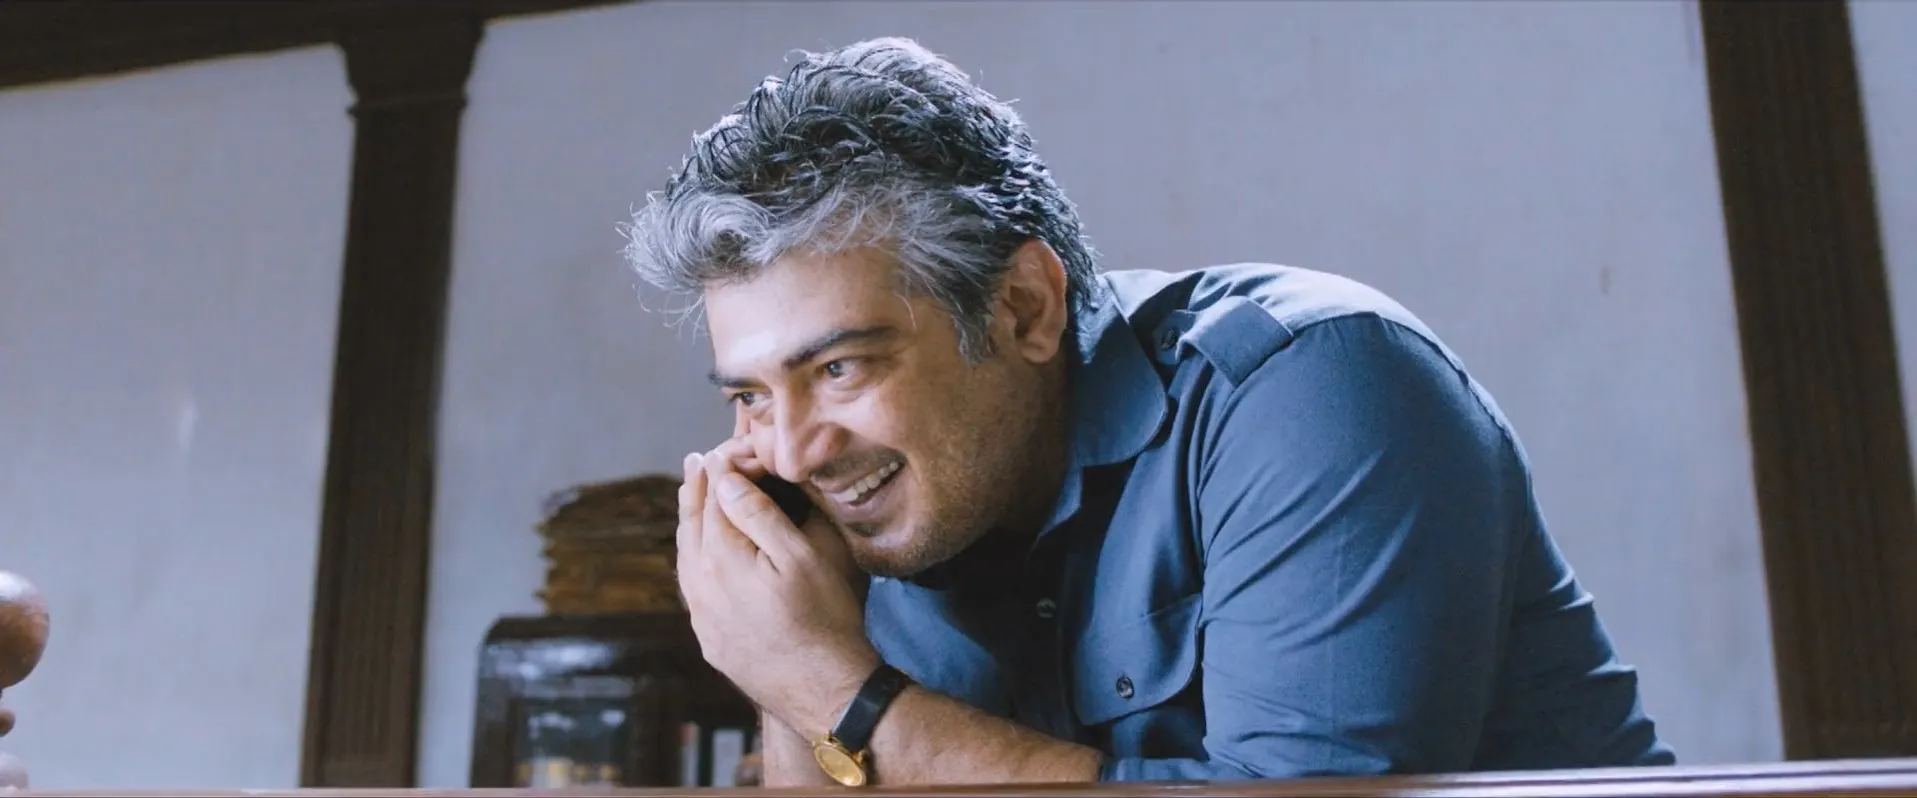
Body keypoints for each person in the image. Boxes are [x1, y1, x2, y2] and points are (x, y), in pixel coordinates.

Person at [621, 37, 1674, 787]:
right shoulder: (854, 505)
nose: (792, 451)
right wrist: (784, 666)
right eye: (751, 395)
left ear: (1024, 308)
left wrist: (840, 693)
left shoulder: (1311, 388)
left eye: (842, 367)